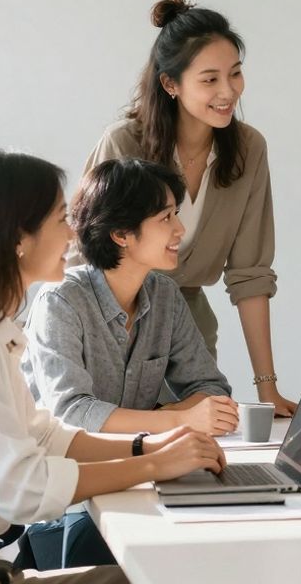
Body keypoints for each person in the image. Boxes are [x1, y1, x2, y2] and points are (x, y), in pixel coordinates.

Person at [0, 150, 225, 583]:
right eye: (61, 220)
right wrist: (155, 465)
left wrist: (148, 447)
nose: (73, 234)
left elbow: (43, 434)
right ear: (18, 238)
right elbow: (20, 488)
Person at [21, 158, 238, 568]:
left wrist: (178, 413)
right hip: (67, 503)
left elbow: (211, 389)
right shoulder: (62, 301)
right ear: (121, 234)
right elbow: (72, 413)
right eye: (166, 217)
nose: (180, 229)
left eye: (177, 214)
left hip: (138, 477)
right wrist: (178, 420)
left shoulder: (165, 296)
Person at [85, 0, 294, 415]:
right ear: (170, 84)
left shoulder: (249, 149)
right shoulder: (125, 144)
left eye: (235, 74)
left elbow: (250, 273)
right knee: (118, 445)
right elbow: (86, 254)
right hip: (109, 323)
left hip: (188, 327)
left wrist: (268, 389)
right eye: (210, 79)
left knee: (197, 448)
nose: (228, 91)